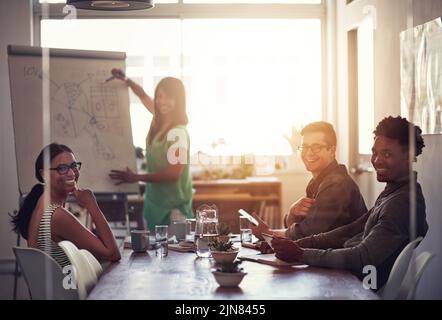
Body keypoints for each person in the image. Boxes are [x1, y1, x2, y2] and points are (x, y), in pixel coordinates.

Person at [268, 116, 428, 290]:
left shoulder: (401, 203)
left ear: (408, 156)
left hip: (360, 285)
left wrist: (301, 254)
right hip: (354, 276)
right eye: (375, 152)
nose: (377, 160)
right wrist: (296, 246)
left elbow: (362, 257)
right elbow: (350, 230)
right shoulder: (394, 192)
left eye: (387, 154)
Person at [108, 69, 193, 232]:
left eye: (169, 97)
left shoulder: (178, 134)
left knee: (175, 256)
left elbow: (173, 173)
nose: (162, 101)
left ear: (179, 100)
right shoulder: (159, 119)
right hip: (155, 206)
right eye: (160, 96)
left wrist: (136, 177)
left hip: (173, 212)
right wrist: (127, 80)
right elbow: (143, 96)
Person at [252, 121, 367, 240]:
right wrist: (292, 215)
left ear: (332, 151)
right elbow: (303, 227)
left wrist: (268, 233)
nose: (309, 153)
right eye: (305, 147)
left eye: (316, 147)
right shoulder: (316, 182)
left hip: (343, 255)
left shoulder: (337, 185)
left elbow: (308, 233)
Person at [11, 143, 121, 268]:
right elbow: (112, 254)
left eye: (74, 166)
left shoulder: (42, 203)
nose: (71, 174)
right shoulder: (56, 215)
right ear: (43, 174)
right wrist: (92, 204)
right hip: (67, 286)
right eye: (62, 168)